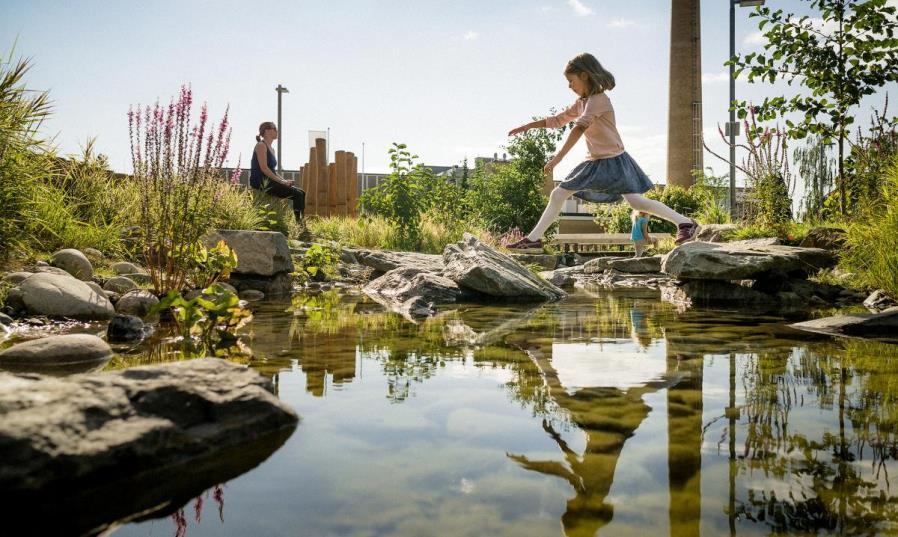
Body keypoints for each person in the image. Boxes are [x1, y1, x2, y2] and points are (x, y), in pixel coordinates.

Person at [506, 53, 699, 251]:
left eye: (571, 81)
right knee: (559, 194)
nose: (569, 86)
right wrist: (528, 126)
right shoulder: (581, 103)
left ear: (584, 75)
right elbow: (558, 120)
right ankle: (534, 239)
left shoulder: (599, 99)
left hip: (614, 160)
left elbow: (579, 128)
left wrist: (558, 158)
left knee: (636, 202)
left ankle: (685, 223)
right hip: (596, 161)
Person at [250, 121, 305, 220]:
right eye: (274, 129)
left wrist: (284, 181)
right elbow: (264, 168)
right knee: (298, 194)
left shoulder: (272, 149)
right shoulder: (261, 146)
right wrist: (281, 182)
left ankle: (302, 220)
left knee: (302, 192)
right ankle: (299, 223)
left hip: (270, 180)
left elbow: (273, 171)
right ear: (266, 131)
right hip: (261, 182)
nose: (277, 131)